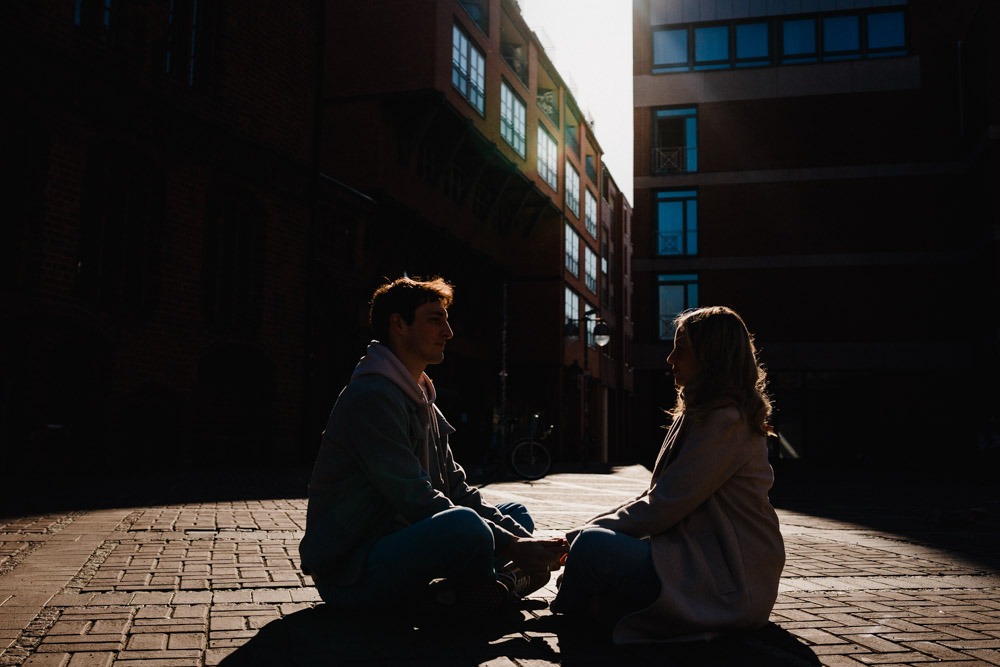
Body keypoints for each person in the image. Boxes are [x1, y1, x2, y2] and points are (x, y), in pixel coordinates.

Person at [299, 275, 565, 620]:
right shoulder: (372, 397)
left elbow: (457, 488)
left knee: (516, 514)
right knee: (465, 526)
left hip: (402, 543)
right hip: (353, 571)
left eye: (446, 319)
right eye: (434, 319)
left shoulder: (422, 398)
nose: (448, 332)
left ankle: (476, 593)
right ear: (399, 324)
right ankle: (493, 588)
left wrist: (527, 541)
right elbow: (415, 497)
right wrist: (515, 547)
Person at [550, 305, 785, 643]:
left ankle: (562, 615)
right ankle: (586, 607)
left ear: (711, 357)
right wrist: (579, 533)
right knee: (592, 552)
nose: (670, 359)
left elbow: (662, 506)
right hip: (698, 561)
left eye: (681, 349)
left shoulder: (726, 420)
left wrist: (575, 539)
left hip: (728, 576)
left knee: (592, 550)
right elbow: (657, 499)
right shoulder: (698, 415)